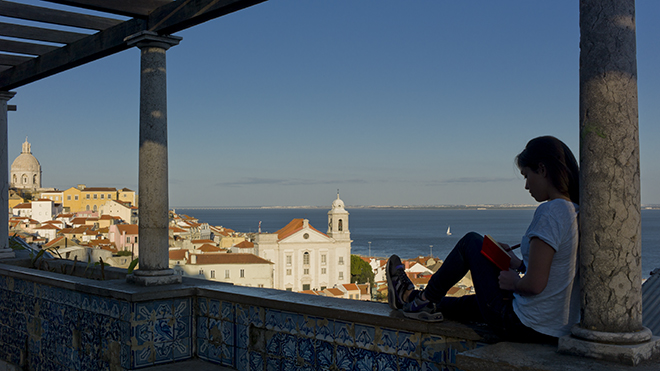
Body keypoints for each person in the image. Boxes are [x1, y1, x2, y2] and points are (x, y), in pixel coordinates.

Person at [387, 136, 580, 342]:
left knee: (471, 242)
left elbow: (534, 285)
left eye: (526, 175)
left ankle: (422, 302)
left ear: (542, 170)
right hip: (555, 328)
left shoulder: (551, 212)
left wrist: (515, 282)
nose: (526, 186)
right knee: (470, 304)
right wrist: (519, 264)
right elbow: (558, 270)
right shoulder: (575, 212)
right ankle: (411, 299)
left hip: (524, 325)